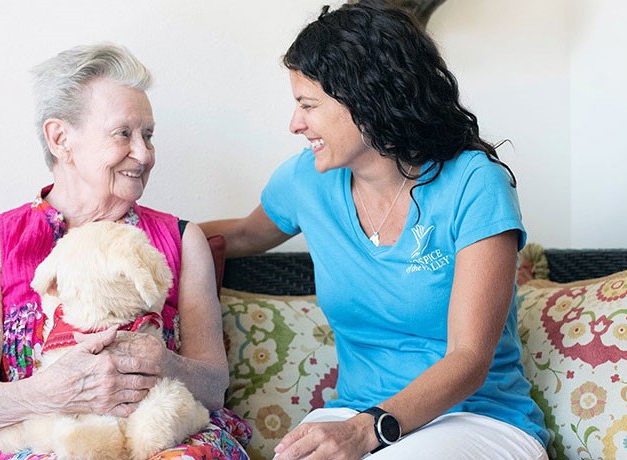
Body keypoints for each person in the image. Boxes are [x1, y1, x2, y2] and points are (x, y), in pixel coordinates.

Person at [200, 1, 549, 459]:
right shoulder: (308, 179)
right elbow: (242, 236)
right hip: (352, 413)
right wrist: (137, 235)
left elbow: (469, 359)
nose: (295, 124)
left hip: (477, 418)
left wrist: (367, 432)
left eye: (308, 105)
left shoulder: (473, 183)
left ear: (366, 99)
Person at [0, 42, 250, 459]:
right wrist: (51, 392)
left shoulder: (180, 239)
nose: (144, 154)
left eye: (148, 135)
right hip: (37, 443)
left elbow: (213, 387)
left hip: (158, 442)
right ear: (60, 138)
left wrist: (163, 362)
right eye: (124, 133)